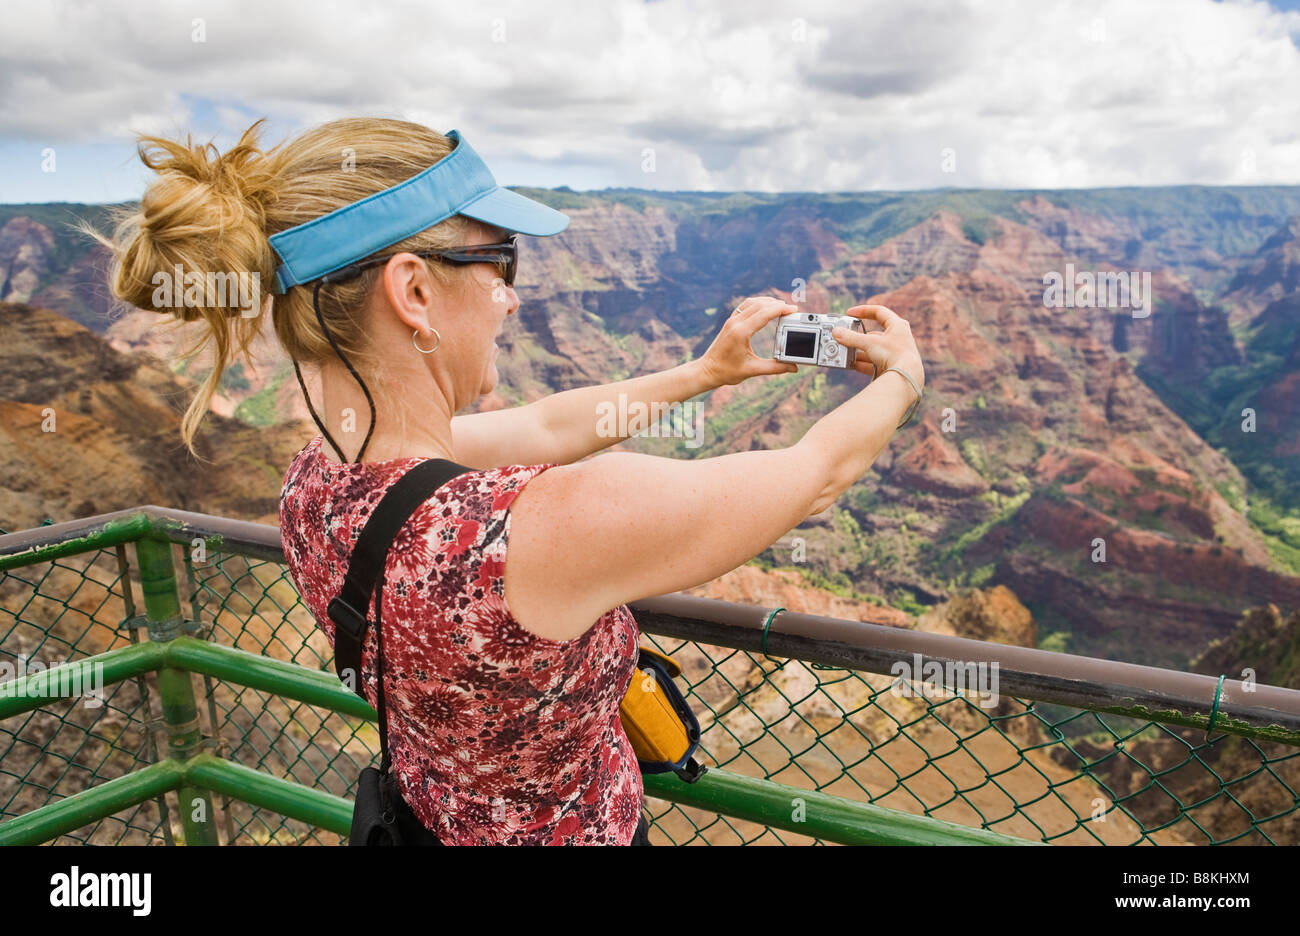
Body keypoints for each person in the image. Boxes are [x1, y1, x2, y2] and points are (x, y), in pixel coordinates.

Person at [90, 117, 925, 845]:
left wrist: (703, 374)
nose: (511, 300)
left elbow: (547, 428)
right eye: (499, 261)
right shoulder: (535, 529)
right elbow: (810, 477)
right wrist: (903, 380)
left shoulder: (313, 480)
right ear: (414, 289)